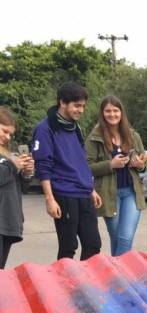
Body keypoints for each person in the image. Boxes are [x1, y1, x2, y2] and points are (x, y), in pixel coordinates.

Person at [33, 82, 102, 261]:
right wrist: (50, 199)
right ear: (62, 103)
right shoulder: (45, 129)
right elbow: (43, 166)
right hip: (64, 193)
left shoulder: (76, 127)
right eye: (76, 105)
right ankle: (66, 286)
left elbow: (80, 160)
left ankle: (85, 285)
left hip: (84, 192)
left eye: (83, 106)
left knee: (93, 245)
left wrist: (91, 189)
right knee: (68, 246)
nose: (80, 110)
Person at [85, 95, 147, 256]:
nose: (112, 114)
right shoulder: (94, 137)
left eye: (115, 110)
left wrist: (140, 165)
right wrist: (110, 165)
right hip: (108, 195)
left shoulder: (133, 135)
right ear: (102, 113)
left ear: (121, 113)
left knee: (125, 238)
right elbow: (85, 168)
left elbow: (144, 163)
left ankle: (119, 277)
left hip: (131, 193)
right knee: (117, 239)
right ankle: (117, 277)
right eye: (108, 111)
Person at [0, 107, 35, 268]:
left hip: (8, 221)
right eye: (4, 131)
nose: (7, 137)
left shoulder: (8, 155)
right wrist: (13, 166)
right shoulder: (10, 161)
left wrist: (26, 173)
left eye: (10, 134)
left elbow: (20, 188)